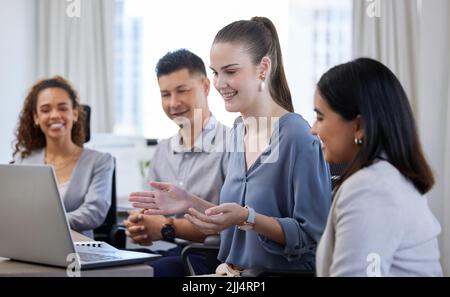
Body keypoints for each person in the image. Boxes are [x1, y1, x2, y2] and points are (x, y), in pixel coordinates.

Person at [129, 17, 331, 275]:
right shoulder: (239, 131)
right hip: (230, 273)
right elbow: (232, 216)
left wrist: (248, 218)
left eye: (231, 71)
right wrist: (188, 201)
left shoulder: (297, 137)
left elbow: (312, 235)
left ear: (263, 68)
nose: (219, 83)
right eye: (216, 72)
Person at [311, 58, 443, 276]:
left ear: (359, 126)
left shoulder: (370, 189)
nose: (314, 130)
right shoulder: (385, 180)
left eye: (320, 117)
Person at [123, 49, 229, 276]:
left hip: (213, 257)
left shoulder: (232, 145)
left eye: (182, 91)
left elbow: (231, 226)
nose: (174, 103)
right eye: (165, 94)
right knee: (117, 269)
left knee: (150, 272)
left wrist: (166, 228)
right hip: (172, 250)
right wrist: (139, 224)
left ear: (206, 87)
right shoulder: (163, 150)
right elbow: (148, 210)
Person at [13, 76, 114, 238]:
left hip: (77, 250)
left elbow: (94, 212)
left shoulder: (100, 161)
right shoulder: (23, 160)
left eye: (62, 108)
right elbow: (15, 209)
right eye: (45, 110)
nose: (54, 115)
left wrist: (47, 222)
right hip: (29, 244)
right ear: (36, 118)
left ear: (74, 113)